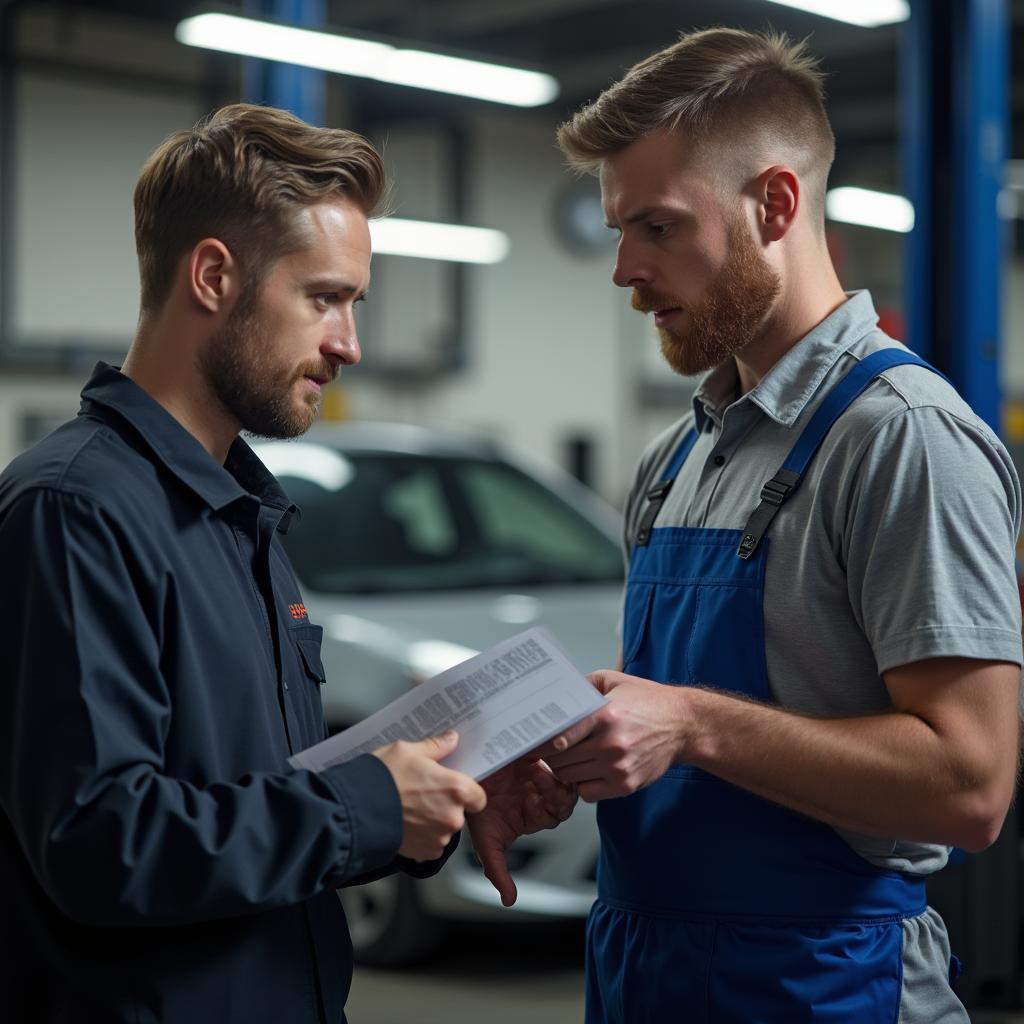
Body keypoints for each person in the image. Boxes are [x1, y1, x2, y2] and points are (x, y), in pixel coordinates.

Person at [477, 28, 1023, 1023]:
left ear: (773, 204)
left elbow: (970, 785)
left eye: (657, 227)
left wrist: (689, 724)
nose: (623, 270)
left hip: (827, 980)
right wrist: (582, 756)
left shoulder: (900, 439)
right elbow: (670, 728)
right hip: (649, 968)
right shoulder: (677, 457)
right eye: (616, 232)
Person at [0, 103, 573, 1024]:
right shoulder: (76, 510)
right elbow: (102, 841)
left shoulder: (242, 513)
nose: (349, 343)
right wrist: (368, 809)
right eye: (325, 298)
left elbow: (262, 800)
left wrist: (427, 802)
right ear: (215, 275)